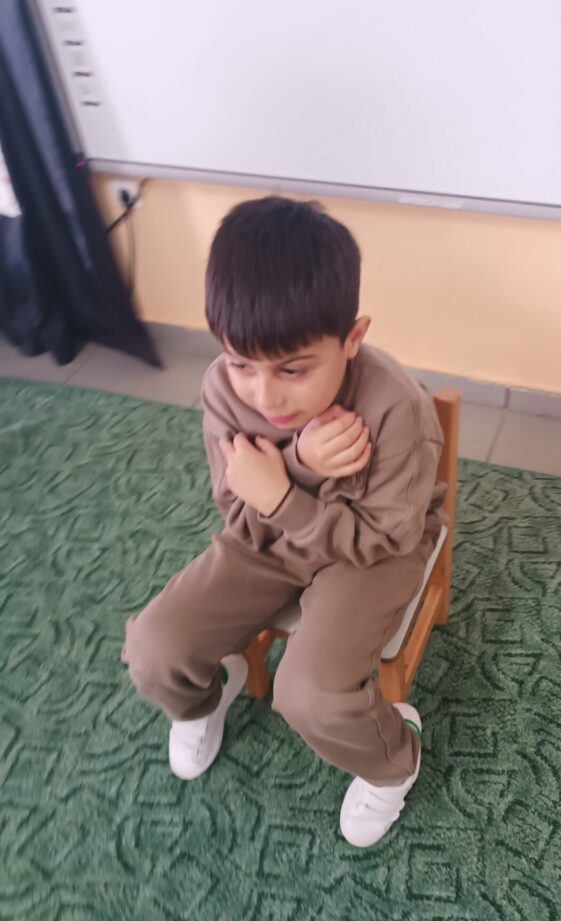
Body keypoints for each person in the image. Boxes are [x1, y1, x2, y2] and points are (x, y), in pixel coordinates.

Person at [123, 195, 444, 847]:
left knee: (310, 694)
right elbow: (240, 512)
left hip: (373, 553)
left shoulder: (396, 409)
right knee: (154, 649)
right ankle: (209, 696)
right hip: (266, 538)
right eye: (241, 363)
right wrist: (298, 464)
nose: (265, 396)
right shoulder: (224, 389)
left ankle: (394, 757)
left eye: (293, 369)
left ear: (352, 338)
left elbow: (385, 538)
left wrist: (284, 495)